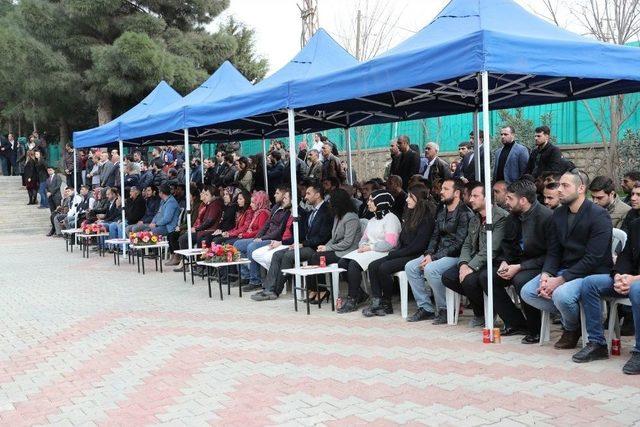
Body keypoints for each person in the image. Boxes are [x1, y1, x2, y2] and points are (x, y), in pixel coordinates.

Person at [521, 170, 613, 349]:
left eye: (565, 185)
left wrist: (560, 280)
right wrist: (546, 274)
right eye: (559, 185)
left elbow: (594, 258)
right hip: (565, 269)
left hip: (591, 273)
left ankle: (571, 328)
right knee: (528, 292)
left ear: (581, 188)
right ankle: (578, 318)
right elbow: (554, 251)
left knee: (561, 295)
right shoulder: (559, 214)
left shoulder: (598, 215)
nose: (559, 190)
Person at [482, 179, 552, 343]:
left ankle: (536, 329)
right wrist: (505, 262)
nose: (506, 202)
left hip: (539, 264)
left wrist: (519, 267)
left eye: (510, 199)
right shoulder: (513, 216)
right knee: (487, 277)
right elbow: (508, 243)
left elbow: (551, 255)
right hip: (517, 262)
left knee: (520, 280)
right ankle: (516, 323)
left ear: (523, 200)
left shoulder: (546, 217)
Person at [573, 215, 640, 374]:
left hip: (635, 281)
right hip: (629, 278)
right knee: (590, 283)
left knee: (637, 290)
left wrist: (634, 280)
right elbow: (625, 257)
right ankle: (597, 344)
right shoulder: (636, 224)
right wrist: (618, 275)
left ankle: (639, 351)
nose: (635, 198)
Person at [441, 181, 509, 327]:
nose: (471, 199)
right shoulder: (475, 218)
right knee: (448, 277)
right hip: (474, 261)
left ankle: (482, 313)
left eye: (475, 196)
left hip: (493, 261)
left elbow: (492, 249)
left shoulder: (501, 217)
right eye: (471, 195)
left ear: (487, 198)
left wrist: (470, 267)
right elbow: (466, 244)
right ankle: (483, 309)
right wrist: (464, 264)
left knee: (470, 280)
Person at [405, 178, 473, 323]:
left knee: (431, 269)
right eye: (441, 188)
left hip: (456, 256)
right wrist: (429, 253)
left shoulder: (465, 213)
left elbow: (459, 244)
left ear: (457, 193)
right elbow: (434, 236)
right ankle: (426, 308)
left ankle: (445, 308)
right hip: (438, 254)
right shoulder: (441, 210)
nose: (441, 192)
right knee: (410, 267)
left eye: (445, 189)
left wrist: (434, 258)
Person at [361, 185, 436, 317]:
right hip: (404, 252)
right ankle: (376, 301)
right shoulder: (409, 214)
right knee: (373, 266)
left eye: (410, 197)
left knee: (384, 267)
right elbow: (403, 239)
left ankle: (386, 303)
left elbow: (419, 245)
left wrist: (396, 253)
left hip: (415, 255)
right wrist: (396, 252)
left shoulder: (426, 218)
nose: (407, 200)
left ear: (419, 199)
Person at [251, 183, 333, 301]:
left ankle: (275, 291)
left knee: (288, 256)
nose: (306, 197)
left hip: (317, 248)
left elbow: (322, 237)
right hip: (304, 245)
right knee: (277, 254)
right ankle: (268, 288)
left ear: (318, 195)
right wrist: (295, 242)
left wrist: (302, 244)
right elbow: (303, 233)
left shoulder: (326, 211)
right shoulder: (310, 212)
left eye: (309, 194)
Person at [337, 190, 402, 313]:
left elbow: (390, 243)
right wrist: (362, 245)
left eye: (372, 200)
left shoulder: (391, 219)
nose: (368, 203)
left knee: (353, 265)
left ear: (381, 202)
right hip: (369, 250)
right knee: (343, 262)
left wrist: (370, 248)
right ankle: (360, 294)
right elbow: (364, 238)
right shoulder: (372, 220)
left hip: (384, 251)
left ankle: (352, 299)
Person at [234, 186, 291, 290]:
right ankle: (246, 275)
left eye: (277, 193)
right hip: (265, 237)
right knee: (237, 244)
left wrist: (262, 238)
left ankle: (255, 281)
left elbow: (279, 231)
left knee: (251, 246)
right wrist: (258, 236)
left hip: (274, 239)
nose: (274, 195)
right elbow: (266, 225)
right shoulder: (276, 207)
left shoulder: (286, 211)